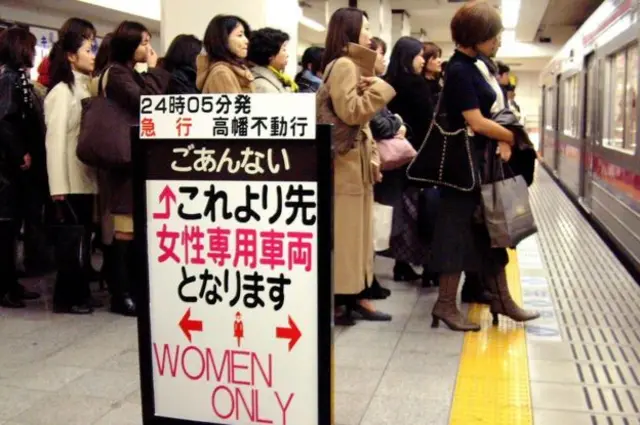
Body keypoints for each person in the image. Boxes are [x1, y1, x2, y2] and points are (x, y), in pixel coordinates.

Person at [427, 0, 539, 331]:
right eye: (494, 34)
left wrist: (506, 138)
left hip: (479, 165)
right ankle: (446, 303)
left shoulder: (478, 64)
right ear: (476, 35)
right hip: (463, 168)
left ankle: (501, 299)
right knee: (456, 232)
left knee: (488, 230)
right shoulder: (461, 70)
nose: (499, 40)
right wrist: (512, 137)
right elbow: (475, 121)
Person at [319, 7, 396, 325]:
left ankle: (353, 297)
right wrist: (379, 89)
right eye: (365, 28)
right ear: (350, 31)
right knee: (351, 236)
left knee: (354, 234)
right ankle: (351, 298)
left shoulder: (341, 64)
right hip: (347, 164)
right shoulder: (346, 65)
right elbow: (351, 113)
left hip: (351, 161)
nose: (368, 34)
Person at [102, 21, 170, 316]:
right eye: (143, 42)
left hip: (132, 159)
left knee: (133, 227)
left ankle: (131, 290)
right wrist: (155, 71)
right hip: (123, 161)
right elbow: (149, 104)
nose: (148, 48)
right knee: (125, 229)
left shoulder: (128, 73)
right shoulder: (117, 73)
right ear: (130, 45)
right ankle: (122, 294)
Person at [45, 25, 98, 314]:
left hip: (84, 178)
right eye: (88, 50)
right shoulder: (61, 92)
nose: (93, 56)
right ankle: (66, 298)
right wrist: (58, 188)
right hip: (69, 181)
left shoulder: (82, 86)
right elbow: (54, 141)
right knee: (71, 242)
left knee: (81, 240)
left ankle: (79, 293)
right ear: (70, 56)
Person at [383, 37, 439, 288]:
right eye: (419, 56)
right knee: (422, 211)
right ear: (409, 58)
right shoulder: (416, 85)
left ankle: (401, 264)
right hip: (416, 157)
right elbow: (428, 124)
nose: (422, 60)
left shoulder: (387, 82)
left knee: (402, 211)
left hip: (392, 155)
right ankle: (427, 265)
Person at [0, 27, 41, 307]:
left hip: (14, 169)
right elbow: (5, 120)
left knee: (12, 230)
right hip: (8, 170)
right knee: (6, 230)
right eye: (31, 47)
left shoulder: (17, 78)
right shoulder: (9, 79)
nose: (35, 52)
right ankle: (5, 287)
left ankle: (10, 283)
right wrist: (20, 154)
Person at [197, 15, 254, 93]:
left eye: (245, 35)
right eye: (240, 35)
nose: (246, 41)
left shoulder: (235, 69)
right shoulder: (221, 73)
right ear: (223, 39)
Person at [248, 28, 297, 93]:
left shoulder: (278, 78)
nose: (287, 55)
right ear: (271, 55)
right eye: (284, 49)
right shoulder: (262, 86)